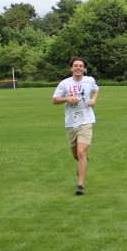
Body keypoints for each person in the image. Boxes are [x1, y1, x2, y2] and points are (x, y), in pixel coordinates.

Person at [52, 57, 99, 195]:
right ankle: (83, 162)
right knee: (75, 154)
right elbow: (54, 100)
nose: (78, 67)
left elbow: (96, 89)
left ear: (84, 69)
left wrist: (93, 99)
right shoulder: (65, 83)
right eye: (75, 65)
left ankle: (80, 185)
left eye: (81, 66)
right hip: (71, 123)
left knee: (81, 152)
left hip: (86, 121)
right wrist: (67, 98)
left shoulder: (90, 80)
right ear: (71, 68)